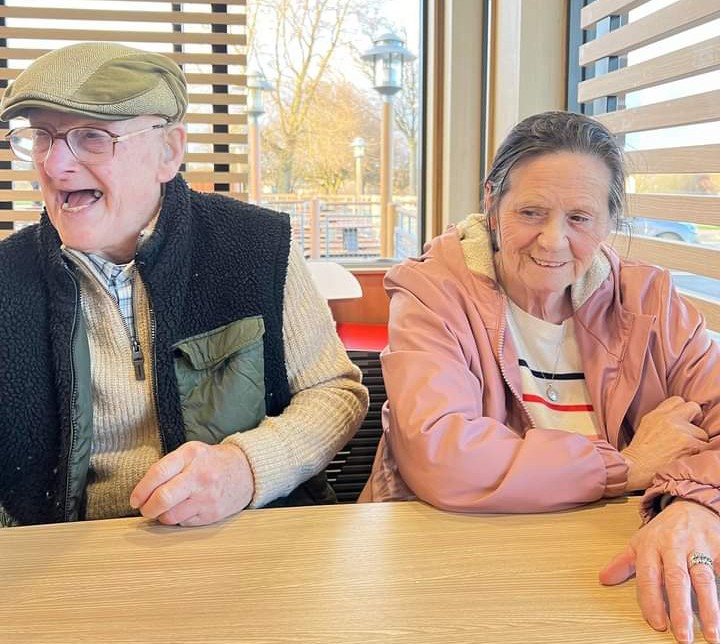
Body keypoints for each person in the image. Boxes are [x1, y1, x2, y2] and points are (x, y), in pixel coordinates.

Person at [360, 111, 720, 643]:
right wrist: (626, 465)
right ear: (492, 201)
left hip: (597, 564)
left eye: (580, 218)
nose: (553, 241)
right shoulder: (431, 292)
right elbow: (442, 454)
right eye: (531, 212)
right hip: (442, 564)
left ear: (608, 221)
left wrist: (691, 502)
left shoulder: (650, 301)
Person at [0, 42, 368, 528]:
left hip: (246, 539)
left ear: (168, 151)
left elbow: (334, 393)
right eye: (42, 138)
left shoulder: (255, 247)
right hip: (67, 558)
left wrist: (246, 468)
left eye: (91, 137)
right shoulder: (9, 279)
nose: (53, 165)